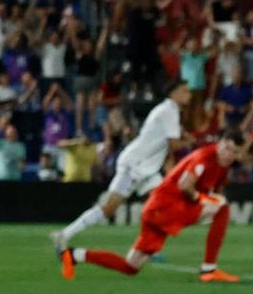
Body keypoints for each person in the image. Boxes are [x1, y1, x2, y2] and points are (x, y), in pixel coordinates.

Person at [58, 128, 244, 283]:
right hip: (166, 207)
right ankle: (209, 269)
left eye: (235, 152)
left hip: (156, 210)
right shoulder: (205, 156)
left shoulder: (223, 165)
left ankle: (74, 255)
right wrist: (204, 200)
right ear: (220, 143)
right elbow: (185, 185)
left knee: (131, 266)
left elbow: (215, 191)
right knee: (223, 209)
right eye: (227, 148)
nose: (229, 154)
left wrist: (210, 200)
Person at [51, 80, 191, 251]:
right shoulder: (169, 111)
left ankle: (147, 248)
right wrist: (191, 142)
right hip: (135, 164)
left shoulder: (169, 111)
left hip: (147, 167)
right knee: (108, 209)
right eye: (184, 91)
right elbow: (173, 144)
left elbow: (166, 145)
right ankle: (63, 235)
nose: (189, 95)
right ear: (173, 93)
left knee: (162, 204)